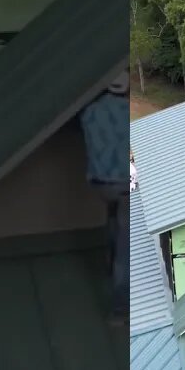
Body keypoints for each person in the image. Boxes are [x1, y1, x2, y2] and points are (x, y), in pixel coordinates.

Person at [80, 73, 128, 325]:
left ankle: (108, 261)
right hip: (124, 187)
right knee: (126, 247)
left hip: (100, 185)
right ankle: (121, 309)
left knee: (112, 215)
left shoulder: (90, 111)